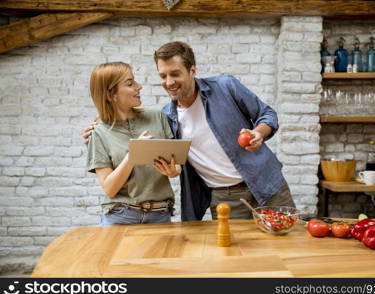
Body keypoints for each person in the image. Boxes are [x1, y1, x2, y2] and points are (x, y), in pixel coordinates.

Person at [84, 42, 294, 221]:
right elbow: (130, 123)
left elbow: (267, 114)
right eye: (163, 75)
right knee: (237, 260)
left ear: (192, 70)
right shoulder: (166, 117)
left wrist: (259, 132)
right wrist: (98, 125)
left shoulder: (226, 87)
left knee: (287, 245)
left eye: (175, 74)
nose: (169, 82)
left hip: (267, 183)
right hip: (225, 198)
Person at [86, 62, 181, 225]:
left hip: (160, 215)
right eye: (130, 84)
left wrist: (173, 171)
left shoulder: (157, 117)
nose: (139, 86)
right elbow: (110, 188)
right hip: (120, 217)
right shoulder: (98, 132)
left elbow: (176, 166)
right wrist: (134, 154)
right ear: (111, 95)